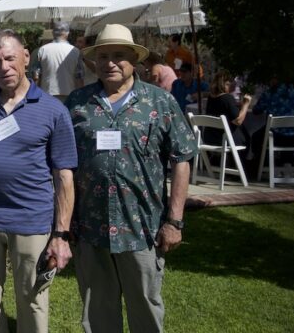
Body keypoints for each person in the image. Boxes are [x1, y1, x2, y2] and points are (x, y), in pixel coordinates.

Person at [65, 23, 197, 333]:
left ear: (134, 60)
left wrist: (174, 221)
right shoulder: (77, 103)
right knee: (98, 315)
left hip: (142, 228)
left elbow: (182, 159)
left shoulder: (159, 102)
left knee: (145, 313)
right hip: (91, 229)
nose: (110, 62)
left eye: (119, 56)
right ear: (94, 61)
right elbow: (63, 166)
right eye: (103, 56)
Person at [0, 29, 77, 333]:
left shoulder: (53, 110)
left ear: (26, 57)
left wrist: (61, 234)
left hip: (31, 221)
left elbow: (64, 176)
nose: (4, 67)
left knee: (33, 301)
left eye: (10, 58)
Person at [250, 77, 294, 169]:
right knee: (288, 131)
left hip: (276, 137)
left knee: (256, 137)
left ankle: (261, 164)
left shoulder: (270, 93)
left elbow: (256, 110)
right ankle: (286, 161)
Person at [204, 71, 254, 171]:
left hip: (211, 138)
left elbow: (224, 109)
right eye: (230, 83)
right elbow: (238, 120)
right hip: (225, 140)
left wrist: (237, 105)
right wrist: (246, 104)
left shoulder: (211, 98)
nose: (233, 86)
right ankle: (244, 169)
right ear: (225, 84)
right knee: (249, 135)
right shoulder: (227, 98)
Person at [32, 21, 83, 101]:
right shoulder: (75, 51)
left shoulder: (42, 50)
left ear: (53, 33)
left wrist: (35, 95)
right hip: (69, 95)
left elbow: (36, 76)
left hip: (47, 94)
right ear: (68, 33)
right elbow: (79, 76)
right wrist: (81, 96)